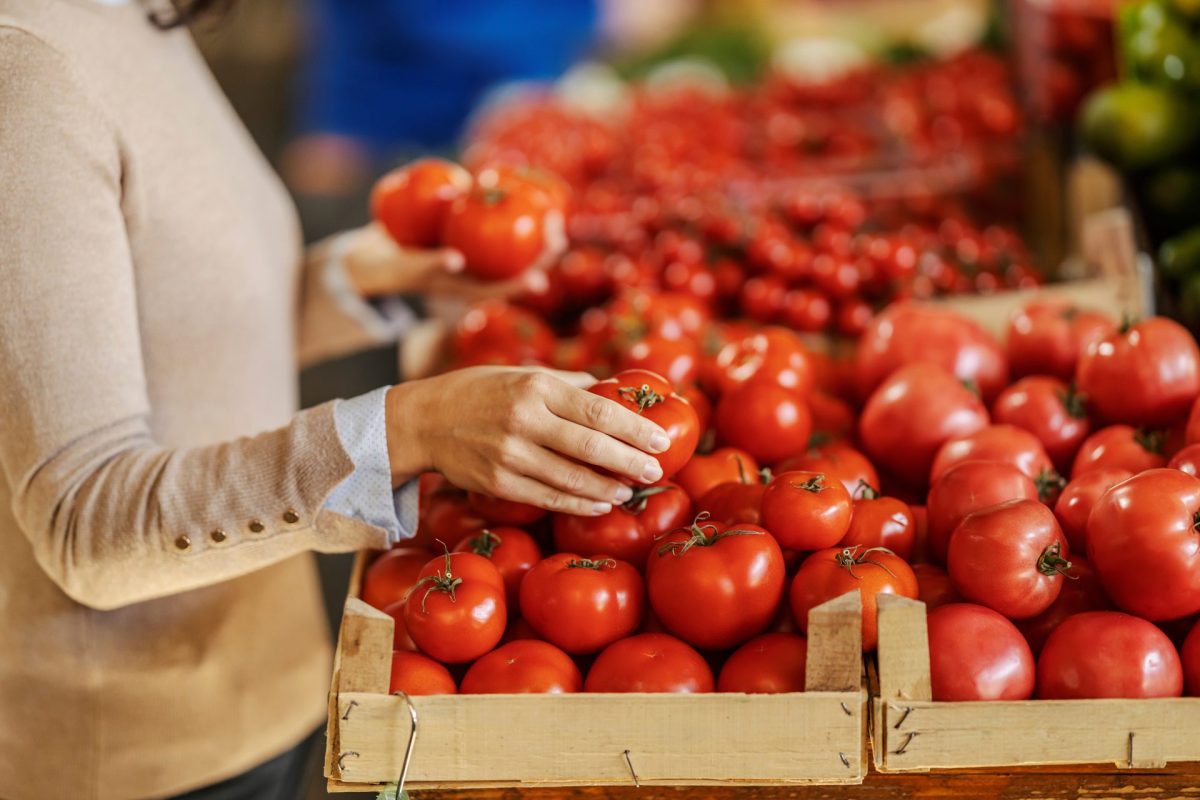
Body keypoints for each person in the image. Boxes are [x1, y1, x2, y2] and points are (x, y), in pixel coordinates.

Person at [0, 1, 670, 798]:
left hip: (266, 677)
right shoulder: (28, 71)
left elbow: (169, 335)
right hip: (142, 750)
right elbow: (87, 520)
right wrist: (411, 425)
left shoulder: (134, 16)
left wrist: (364, 276)